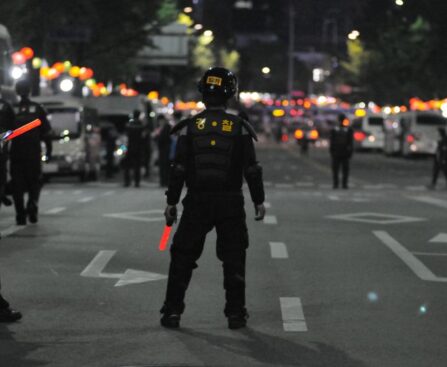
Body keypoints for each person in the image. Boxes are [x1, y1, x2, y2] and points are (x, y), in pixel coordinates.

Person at [160, 67, 266, 330]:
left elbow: (179, 169)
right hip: (230, 202)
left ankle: (172, 311)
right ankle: (236, 314)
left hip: (196, 201)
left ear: (203, 93)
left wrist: (171, 201)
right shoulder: (240, 129)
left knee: (182, 256)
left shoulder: (190, 128)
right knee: (234, 258)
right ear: (231, 94)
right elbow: (251, 169)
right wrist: (258, 200)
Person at [10, 80, 52, 225]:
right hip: (33, 153)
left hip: (16, 153)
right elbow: (46, 133)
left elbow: (4, 133)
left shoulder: (11, 109)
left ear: (16, 91)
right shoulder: (38, 109)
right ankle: (32, 203)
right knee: (35, 181)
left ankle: (20, 215)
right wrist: (49, 152)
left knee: (17, 185)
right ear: (30, 90)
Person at [330, 114, 353, 189]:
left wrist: (332, 151)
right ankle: (341, 184)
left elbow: (332, 142)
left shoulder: (341, 130)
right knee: (341, 170)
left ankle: (340, 184)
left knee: (340, 169)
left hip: (341, 152)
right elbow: (350, 142)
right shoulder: (345, 130)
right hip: (341, 152)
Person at [123, 110, 144, 187]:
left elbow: (126, 135)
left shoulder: (129, 125)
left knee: (127, 166)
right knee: (137, 166)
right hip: (138, 147)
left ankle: (127, 181)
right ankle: (137, 182)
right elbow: (143, 136)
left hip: (130, 146)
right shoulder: (141, 125)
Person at [156, 115, 172, 187]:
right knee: (163, 165)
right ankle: (163, 181)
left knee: (165, 165)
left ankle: (165, 181)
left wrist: (157, 135)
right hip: (162, 149)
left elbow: (163, 138)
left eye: (160, 121)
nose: (159, 122)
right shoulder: (162, 127)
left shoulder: (167, 127)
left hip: (166, 148)